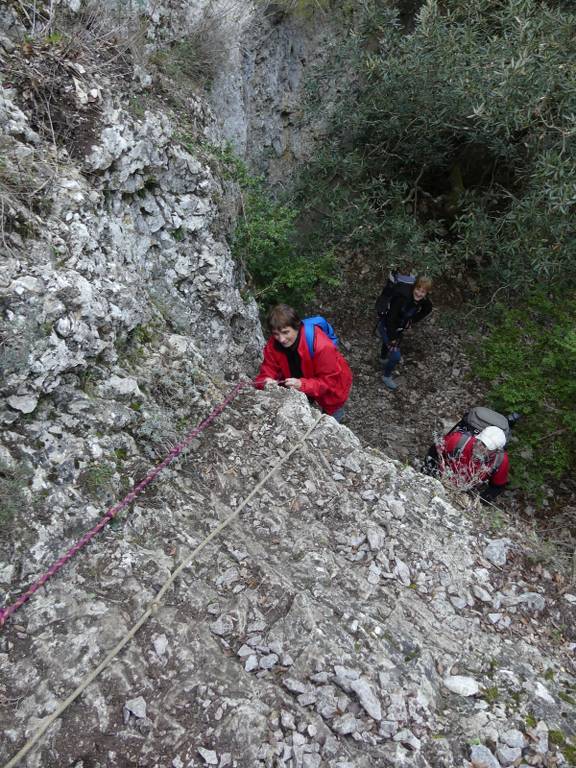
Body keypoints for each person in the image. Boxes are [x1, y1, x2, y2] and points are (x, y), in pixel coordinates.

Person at [254, 304, 353, 421]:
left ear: (297, 327)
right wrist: (266, 381)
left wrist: (302, 385)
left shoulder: (322, 346)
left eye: (286, 332)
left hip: (334, 386)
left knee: (331, 416)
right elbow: (267, 370)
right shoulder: (274, 345)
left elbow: (328, 382)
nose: (281, 339)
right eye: (276, 334)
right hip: (303, 380)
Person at [425, 426, 510, 503]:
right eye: (481, 442)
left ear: (497, 451)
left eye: (487, 447)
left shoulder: (500, 461)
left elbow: (497, 486)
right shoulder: (458, 440)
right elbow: (435, 451)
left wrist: (478, 501)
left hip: (464, 493)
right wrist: (429, 476)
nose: (481, 448)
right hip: (439, 479)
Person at [378, 275, 433, 390]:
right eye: (418, 289)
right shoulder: (401, 299)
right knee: (396, 356)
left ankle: (382, 358)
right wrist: (392, 338)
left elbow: (427, 309)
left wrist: (412, 320)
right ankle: (386, 376)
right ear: (414, 287)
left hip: (399, 328)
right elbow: (390, 320)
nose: (419, 293)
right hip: (386, 326)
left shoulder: (423, 301)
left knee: (387, 344)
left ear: (427, 293)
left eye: (423, 292)